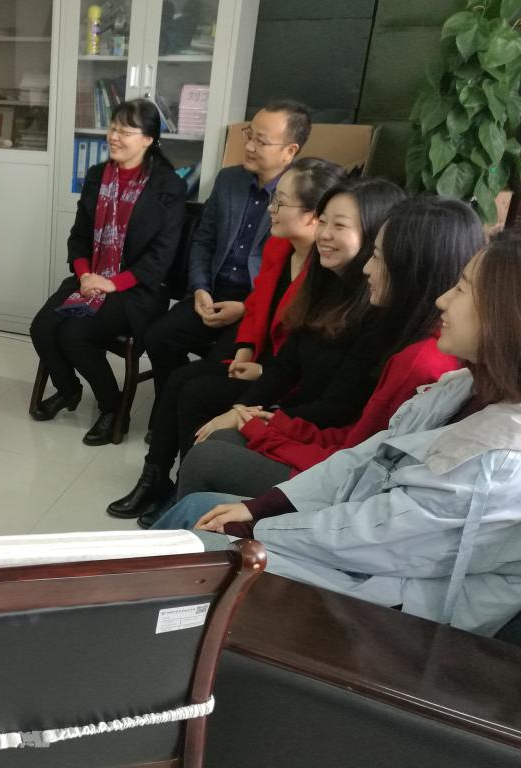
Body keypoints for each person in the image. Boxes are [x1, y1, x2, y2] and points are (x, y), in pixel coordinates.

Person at [154, 230, 521, 638]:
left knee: (188, 551)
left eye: (462, 289)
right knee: (197, 511)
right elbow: (367, 453)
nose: (443, 299)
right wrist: (263, 505)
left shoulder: (498, 458)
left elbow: (371, 538)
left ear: (506, 316)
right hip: (354, 544)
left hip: (389, 606)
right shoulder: (464, 386)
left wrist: (257, 525)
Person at [112, 176, 404, 526]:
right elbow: (286, 362)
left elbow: (335, 408)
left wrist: (253, 416)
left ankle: (183, 495)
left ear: (374, 235)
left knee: (201, 402)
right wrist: (242, 407)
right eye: (323, 221)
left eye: (339, 226)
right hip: (292, 402)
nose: (324, 234)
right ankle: (162, 482)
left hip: (317, 432)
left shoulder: (374, 310)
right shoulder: (324, 280)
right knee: (184, 379)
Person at [170, 197, 482, 506]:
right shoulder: (397, 329)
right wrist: (271, 422)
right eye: (323, 221)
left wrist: (265, 430)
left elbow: (354, 464)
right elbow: (356, 438)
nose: (367, 268)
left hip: (342, 488)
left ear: (411, 268)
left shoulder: (417, 360)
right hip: (337, 459)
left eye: (376, 256)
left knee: (206, 457)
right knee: (209, 420)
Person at [142, 99, 312, 430]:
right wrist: (200, 288)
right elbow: (203, 240)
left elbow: (287, 281)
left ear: (290, 151)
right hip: (213, 291)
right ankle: (167, 414)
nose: (248, 146)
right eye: (249, 135)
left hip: (255, 307)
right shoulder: (229, 179)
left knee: (214, 367)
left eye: (261, 141)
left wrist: (245, 308)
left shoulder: (300, 198)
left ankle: (193, 420)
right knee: (158, 337)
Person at [29, 99, 185, 445]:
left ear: (148, 139)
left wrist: (112, 284)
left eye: (125, 131)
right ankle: (68, 389)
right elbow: (79, 236)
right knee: (43, 327)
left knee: (74, 334)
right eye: (112, 128)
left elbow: (161, 258)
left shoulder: (168, 186)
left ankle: (113, 408)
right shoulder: (97, 175)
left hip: (137, 289)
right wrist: (86, 276)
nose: (114, 136)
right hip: (92, 277)